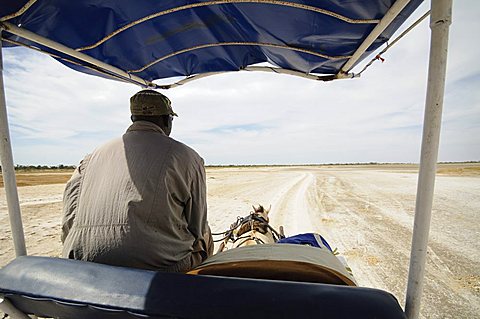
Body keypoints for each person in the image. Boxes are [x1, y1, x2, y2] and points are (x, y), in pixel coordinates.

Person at [61, 89, 213, 273]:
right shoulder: (188, 157)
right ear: (167, 120)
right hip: (159, 267)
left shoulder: (91, 157)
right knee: (206, 237)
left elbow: (68, 219)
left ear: (134, 118)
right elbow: (196, 225)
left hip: (82, 259)